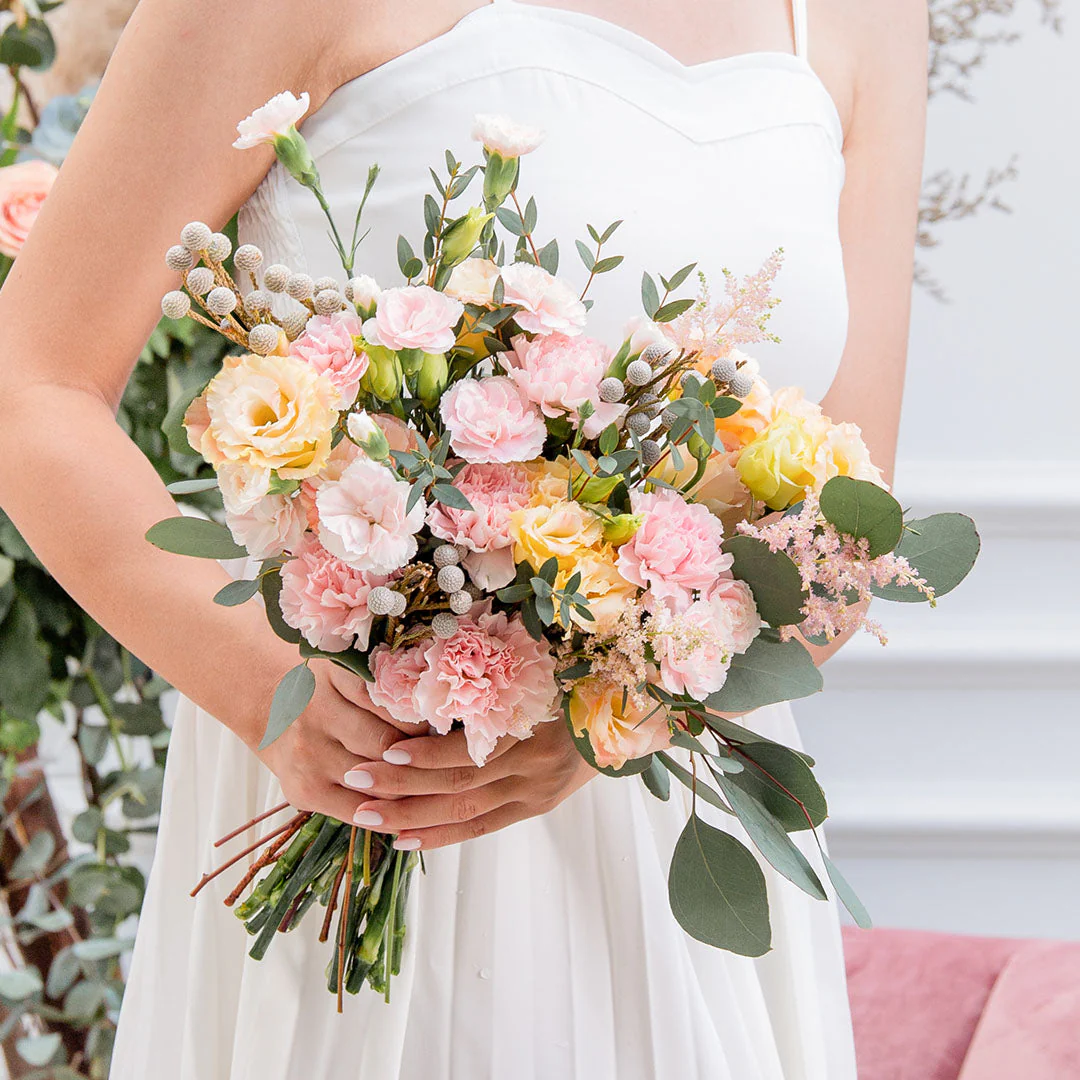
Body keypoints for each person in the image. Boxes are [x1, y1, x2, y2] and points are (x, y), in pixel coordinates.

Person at [0, 1, 927, 1076]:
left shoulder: (868, 19)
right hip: (369, 781)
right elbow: (35, 385)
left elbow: (847, 529)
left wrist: (618, 716)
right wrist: (275, 701)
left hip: (662, 813)